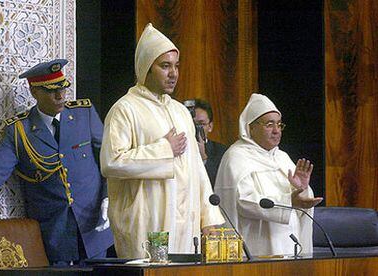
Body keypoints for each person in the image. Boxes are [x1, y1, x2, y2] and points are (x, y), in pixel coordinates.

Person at [0, 59, 113, 265]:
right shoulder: (20, 131)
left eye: (62, 88)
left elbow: (111, 159)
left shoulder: (83, 115)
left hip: (94, 229)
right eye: (52, 90)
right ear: (34, 92)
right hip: (55, 236)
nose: (60, 96)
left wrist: (108, 197)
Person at [101, 23, 225, 258]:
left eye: (176, 66)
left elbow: (197, 169)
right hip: (147, 221)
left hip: (185, 224)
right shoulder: (125, 109)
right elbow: (111, 162)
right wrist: (164, 149)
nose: (173, 73)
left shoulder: (180, 112)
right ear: (146, 68)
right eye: (165, 66)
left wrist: (208, 218)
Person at [214, 93, 323, 256]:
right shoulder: (236, 156)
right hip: (256, 243)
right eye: (269, 125)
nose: (276, 131)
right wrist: (288, 201)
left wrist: (302, 188)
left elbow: (297, 201)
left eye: (279, 125)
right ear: (251, 127)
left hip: (288, 242)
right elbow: (243, 201)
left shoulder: (282, 157)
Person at [193, 99, 228, 190]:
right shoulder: (178, 149)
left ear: (210, 127)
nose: (196, 129)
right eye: (192, 124)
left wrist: (203, 158)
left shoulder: (222, 152)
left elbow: (219, 184)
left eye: (201, 124)